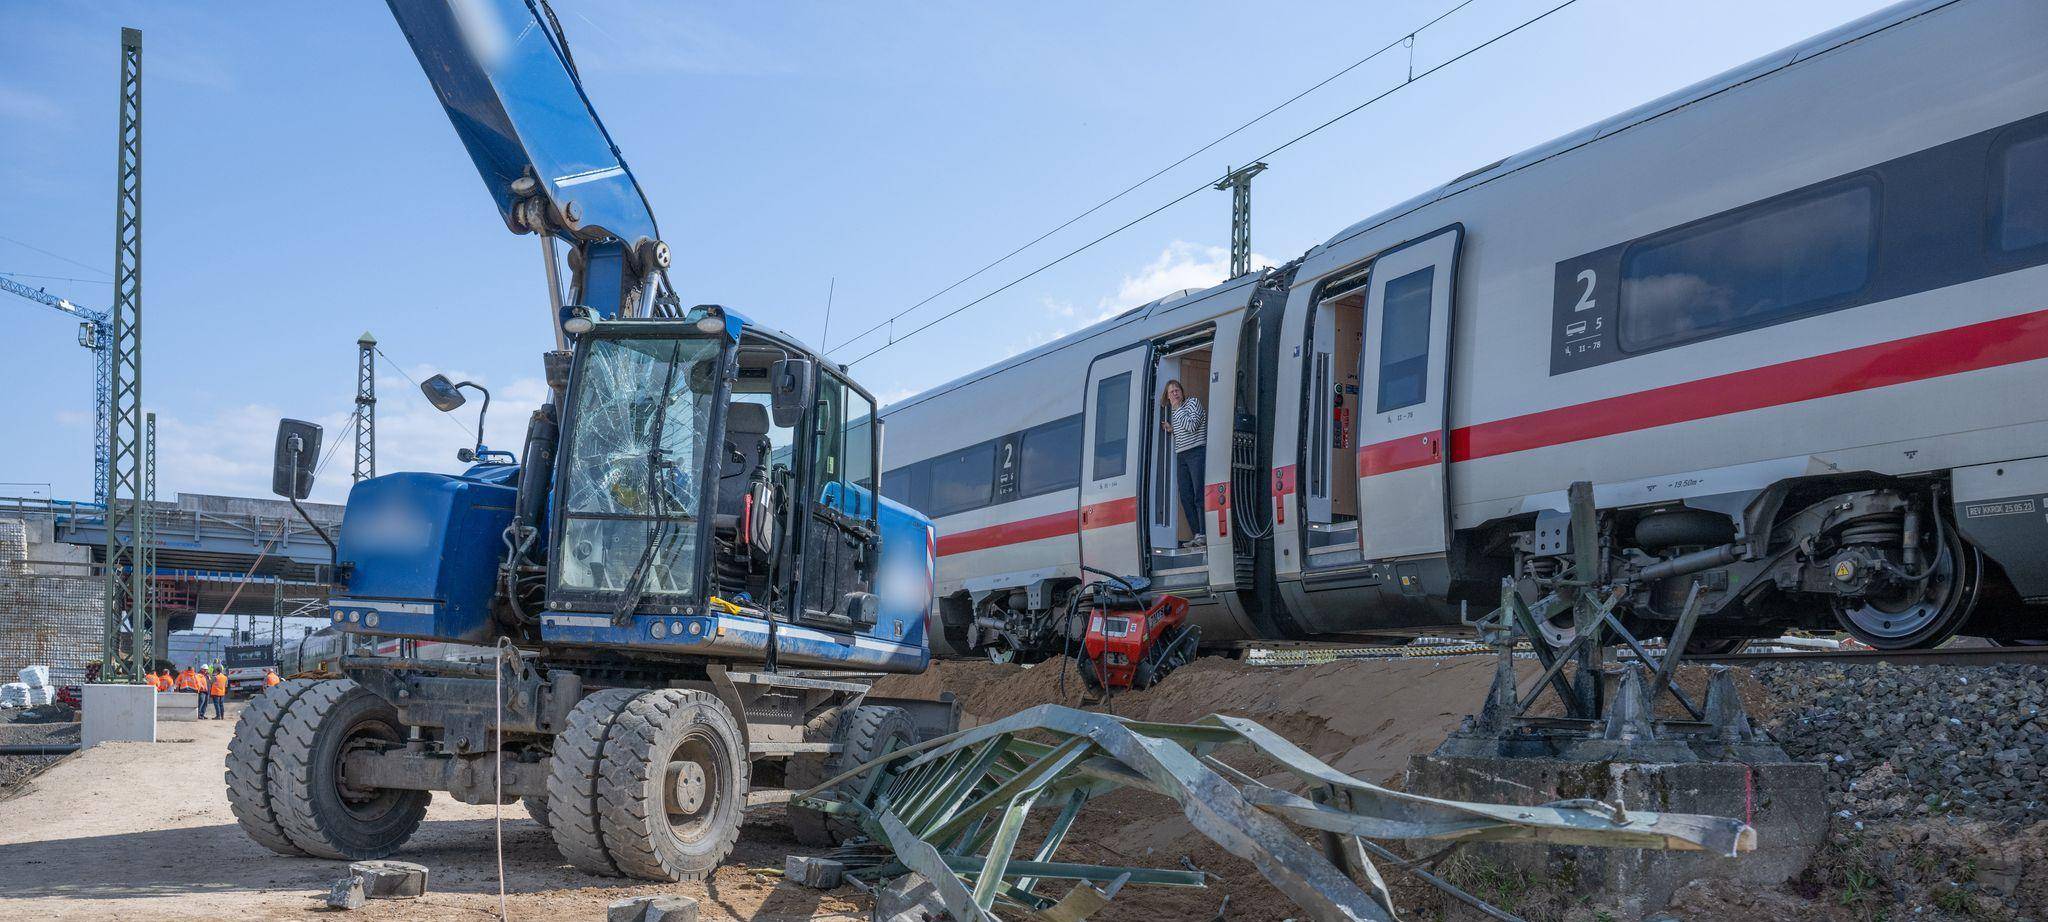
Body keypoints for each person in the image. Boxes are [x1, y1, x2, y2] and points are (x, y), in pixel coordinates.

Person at [1160, 379, 1206, 548]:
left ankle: (1204, 532)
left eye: (1177, 389)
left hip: (1196, 452)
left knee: (1198, 493)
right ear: (1167, 396)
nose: (1175, 393)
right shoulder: (1176, 411)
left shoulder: (1192, 403)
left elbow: (1191, 426)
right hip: (1182, 455)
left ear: (1182, 391)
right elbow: (1183, 430)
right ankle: (1197, 534)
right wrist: (1172, 430)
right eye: (1171, 391)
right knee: (1186, 496)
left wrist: (1178, 408)